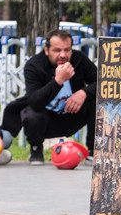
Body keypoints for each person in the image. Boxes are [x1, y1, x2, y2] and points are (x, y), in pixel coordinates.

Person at [9, 29, 97, 165]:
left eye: (67, 50)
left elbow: (102, 82)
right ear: (46, 50)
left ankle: (93, 150)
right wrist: (58, 81)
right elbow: (34, 101)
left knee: (98, 102)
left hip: (73, 114)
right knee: (30, 113)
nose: (63, 55)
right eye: (57, 50)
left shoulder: (79, 59)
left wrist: (83, 92)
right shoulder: (34, 65)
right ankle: (36, 148)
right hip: (46, 119)